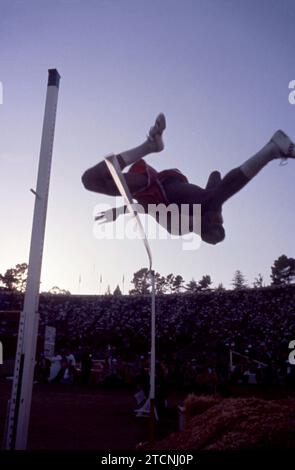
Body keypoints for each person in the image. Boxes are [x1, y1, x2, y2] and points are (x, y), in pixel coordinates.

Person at [81, 114, 295, 244]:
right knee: (213, 199)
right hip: (172, 186)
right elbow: (216, 177)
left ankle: (149, 146)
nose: (215, 220)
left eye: (211, 226)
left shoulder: (179, 228)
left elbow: (141, 209)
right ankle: (271, 150)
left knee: (90, 180)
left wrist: (117, 212)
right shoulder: (211, 206)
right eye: (218, 222)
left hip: (148, 189)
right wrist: (215, 186)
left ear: (203, 230)